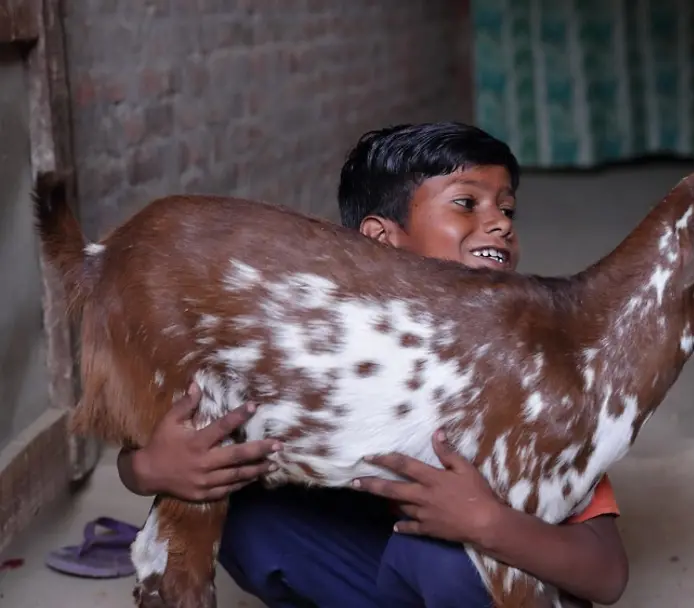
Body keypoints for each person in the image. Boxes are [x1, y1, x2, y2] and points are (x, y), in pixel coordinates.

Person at [116, 121, 629, 607]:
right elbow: (151, 456)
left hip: (476, 574)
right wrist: (149, 469)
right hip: (380, 566)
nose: (499, 223)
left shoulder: (527, 368)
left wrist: (486, 521)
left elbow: (606, 573)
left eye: (507, 210)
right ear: (381, 240)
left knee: (436, 552)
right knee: (246, 516)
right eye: (467, 204)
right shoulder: (320, 349)